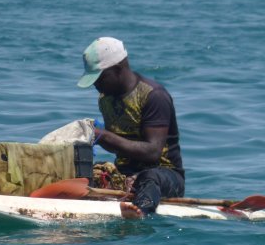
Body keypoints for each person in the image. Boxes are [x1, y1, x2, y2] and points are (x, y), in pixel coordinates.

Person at [77, 37, 185, 219]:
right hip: (126, 174)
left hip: (165, 175)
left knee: (149, 177)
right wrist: (92, 138)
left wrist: (104, 136)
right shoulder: (105, 99)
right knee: (90, 173)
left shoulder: (154, 96)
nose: (96, 85)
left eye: (99, 78)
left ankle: (140, 212)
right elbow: (119, 146)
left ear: (118, 69)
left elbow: (152, 152)